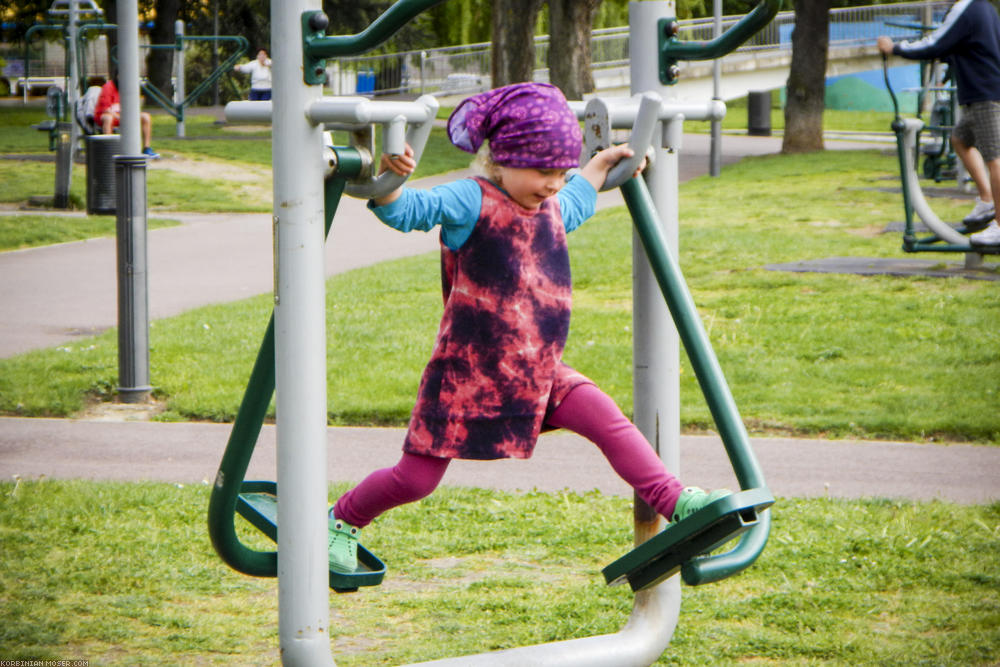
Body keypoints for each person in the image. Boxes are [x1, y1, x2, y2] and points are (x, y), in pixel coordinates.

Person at [326, 82, 730, 573]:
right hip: (467, 378)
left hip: (539, 373)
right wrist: (388, 181)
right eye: (542, 171)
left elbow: (583, 188)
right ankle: (341, 520)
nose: (553, 183)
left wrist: (599, 165)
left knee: (608, 420)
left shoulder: (555, 207)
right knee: (415, 480)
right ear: (502, 159)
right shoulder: (470, 199)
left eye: (560, 172)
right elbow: (406, 211)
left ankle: (677, 502)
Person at [878, 0, 1000, 245]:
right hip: (983, 92)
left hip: (985, 94)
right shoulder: (986, 8)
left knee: (995, 159)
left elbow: (934, 42)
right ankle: (987, 201)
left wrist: (894, 48)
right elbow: (961, 44)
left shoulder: (965, 7)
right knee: (960, 139)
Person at [93, 76, 159, 159]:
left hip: (124, 116)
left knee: (145, 117)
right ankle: (109, 150)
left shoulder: (129, 86)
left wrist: (128, 117)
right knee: (108, 118)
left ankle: (146, 148)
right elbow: (105, 109)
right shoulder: (108, 87)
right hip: (108, 115)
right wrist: (118, 117)